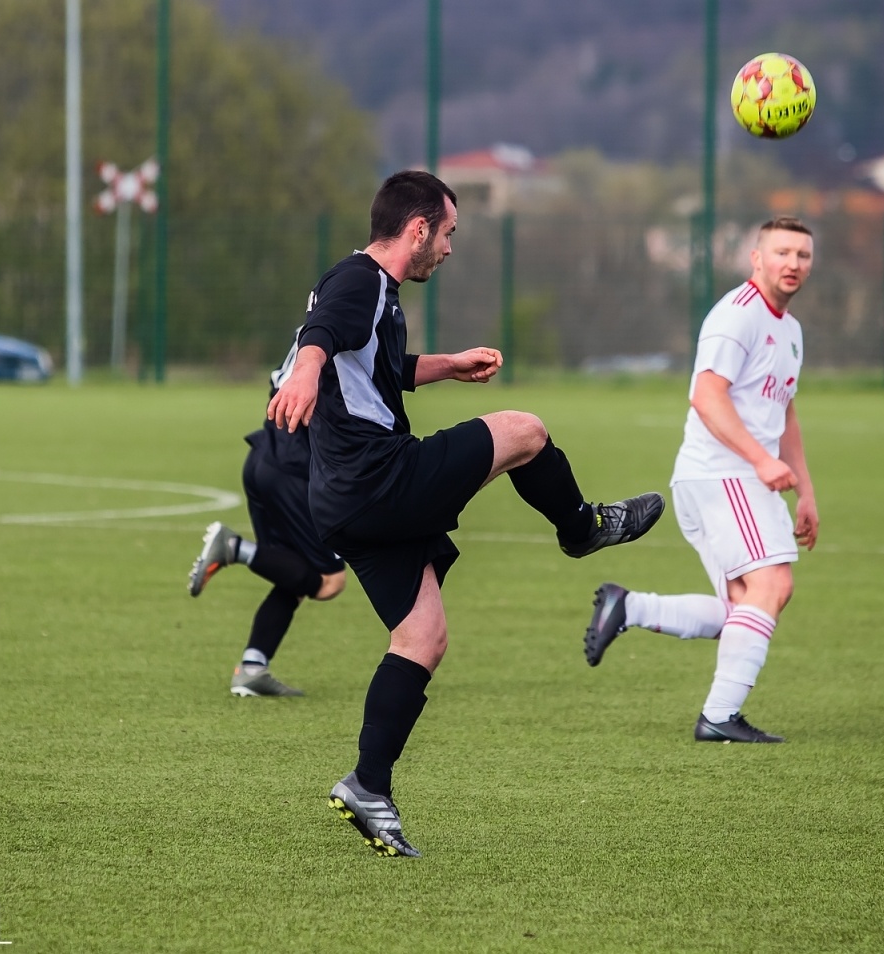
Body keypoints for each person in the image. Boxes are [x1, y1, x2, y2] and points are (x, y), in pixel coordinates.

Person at [267, 170, 664, 857]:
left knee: (422, 639)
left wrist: (448, 365)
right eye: (448, 233)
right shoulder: (360, 281)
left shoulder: (370, 289)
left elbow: (376, 367)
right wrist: (304, 370)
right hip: (379, 478)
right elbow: (321, 335)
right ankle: (584, 529)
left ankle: (368, 786)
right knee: (525, 431)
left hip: (344, 501)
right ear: (417, 229)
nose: (449, 248)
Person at [583, 217, 817, 744]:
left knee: (744, 609)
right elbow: (707, 397)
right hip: (724, 473)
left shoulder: (790, 329)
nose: (793, 263)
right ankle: (719, 716)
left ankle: (630, 607)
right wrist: (761, 461)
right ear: (757, 258)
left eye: (802, 255)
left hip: (730, 477)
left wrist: (806, 491)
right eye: (782, 252)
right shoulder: (738, 315)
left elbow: (786, 413)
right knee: (773, 585)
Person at [187, 331, 348, 696]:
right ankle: (234, 549)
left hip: (264, 456)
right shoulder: (347, 325)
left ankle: (252, 667)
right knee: (329, 581)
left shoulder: (313, 329)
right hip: (293, 471)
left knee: (294, 572)